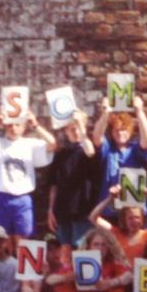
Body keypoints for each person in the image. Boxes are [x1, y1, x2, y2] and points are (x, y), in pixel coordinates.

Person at [0, 107, 56, 248]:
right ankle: (8, 267)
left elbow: (52, 145)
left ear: (24, 127)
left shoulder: (30, 144)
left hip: (22, 198)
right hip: (2, 197)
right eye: (10, 124)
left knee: (25, 239)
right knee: (1, 239)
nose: (13, 128)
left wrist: (36, 125)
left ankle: (22, 268)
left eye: (17, 124)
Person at [47, 227, 132, 292]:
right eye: (96, 244)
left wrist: (111, 283)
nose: (100, 248)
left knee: (119, 285)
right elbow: (50, 280)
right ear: (89, 246)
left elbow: (128, 276)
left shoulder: (113, 262)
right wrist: (66, 277)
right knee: (60, 284)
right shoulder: (78, 262)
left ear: (109, 247)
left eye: (103, 245)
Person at [46, 109, 99, 264]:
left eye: (77, 128)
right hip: (62, 210)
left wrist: (81, 126)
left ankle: (82, 285)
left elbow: (90, 151)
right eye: (71, 128)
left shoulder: (88, 150)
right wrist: (50, 210)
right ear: (66, 131)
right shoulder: (61, 154)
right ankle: (66, 284)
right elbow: (53, 185)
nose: (75, 131)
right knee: (65, 249)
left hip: (82, 209)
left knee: (82, 249)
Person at [91, 95, 147, 221]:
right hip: (109, 211)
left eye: (124, 130)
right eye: (116, 130)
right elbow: (97, 138)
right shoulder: (108, 149)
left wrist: (140, 112)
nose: (120, 133)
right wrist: (105, 114)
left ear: (131, 131)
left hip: (133, 211)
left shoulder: (135, 148)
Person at [88, 193, 147, 263]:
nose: (133, 221)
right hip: (119, 278)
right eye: (130, 218)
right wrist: (109, 198)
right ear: (124, 220)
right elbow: (93, 217)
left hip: (139, 278)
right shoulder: (115, 232)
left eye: (137, 217)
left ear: (142, 219)